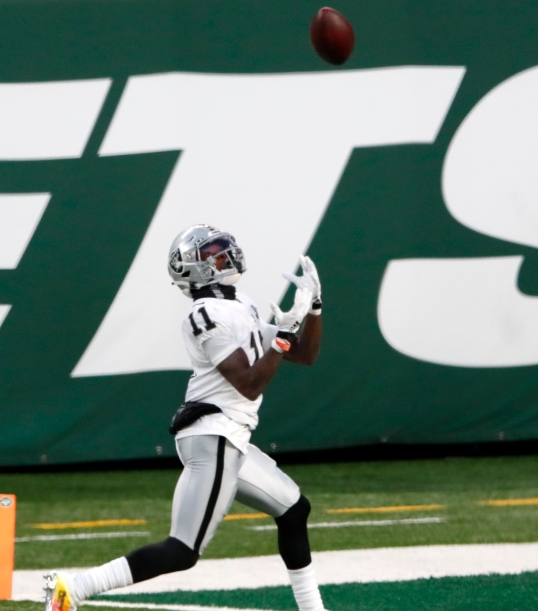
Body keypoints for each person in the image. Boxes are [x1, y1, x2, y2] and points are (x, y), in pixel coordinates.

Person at [44, 225, 327, 611]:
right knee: (182, 550)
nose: (225, 256)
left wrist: (313, 309)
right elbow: (248, 383)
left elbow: (306, 354)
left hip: (231, 438)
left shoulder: (239, 305)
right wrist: (280, 339)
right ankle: (69, 590)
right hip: (214, 436)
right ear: (195, 269)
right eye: (213, 253)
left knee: (294, 509)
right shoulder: (205, 313)